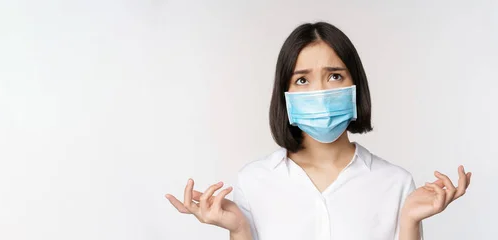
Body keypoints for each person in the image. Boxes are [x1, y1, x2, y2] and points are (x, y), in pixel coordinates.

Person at [165, 22, 471, 240]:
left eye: (335, 75)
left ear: (355, 85)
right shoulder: (254, 181)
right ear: (284, 94)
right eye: (302, 80)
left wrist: (409, 223)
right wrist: (239, 230)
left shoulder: (396, 183)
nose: (321, 91)